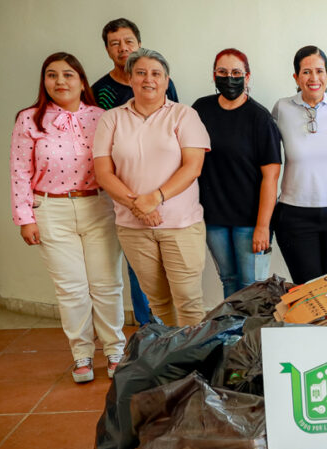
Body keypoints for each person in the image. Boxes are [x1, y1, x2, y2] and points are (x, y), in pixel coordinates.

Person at [10, 52, 124, 384]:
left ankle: (115, 351)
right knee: (71, 289)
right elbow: (19, 171)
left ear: (82, 81)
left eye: (68, 75)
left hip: (98, 207)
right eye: (52, 75)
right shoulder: (29, 119)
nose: (60, 81)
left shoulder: (102, 116)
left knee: (106, 284)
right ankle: (82, 355)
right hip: (52, 210)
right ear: (44, 82)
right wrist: (25, 218)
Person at [93, 48, 210, 327]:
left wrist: (155, 198)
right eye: (141, 73)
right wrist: (139, 207)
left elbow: (193, 167)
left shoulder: (184, 115)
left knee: (188, 299)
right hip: (134, 227)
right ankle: (172, 358)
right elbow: (104, 173)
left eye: (156, 74)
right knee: (157, 300)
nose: (149, 80)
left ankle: (196, 362)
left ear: (166, 81)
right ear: (130, 78)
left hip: (181, 225)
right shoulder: (111, 119)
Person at [92, 17, 178, 326]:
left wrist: (156, 197)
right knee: (138, 266)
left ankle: (173, 330)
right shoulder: (100, 91)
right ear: (107, 49)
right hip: (124, 195)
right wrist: (135, 202)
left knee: (171, 266)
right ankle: (148, 329)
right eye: (114, 43)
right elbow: (103, 150)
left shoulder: (160, 79)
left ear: (138, 44)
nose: (122, 48)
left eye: (128, 41)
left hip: (166, 195)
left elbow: (175, 138)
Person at [193, 48, 281, 299]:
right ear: (214, 75)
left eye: (236, 73)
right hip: (214, 217)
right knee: (229, 281)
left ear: (247, 77)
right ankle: (233, 336)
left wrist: (263, 226)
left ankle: (254, 337)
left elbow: (271, 176)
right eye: (222, 72)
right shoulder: (201, 109)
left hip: (250, 221)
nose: (229, 78)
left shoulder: (259, 118)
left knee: (254, 287)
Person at [271, 45, 327, 284]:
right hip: (295, 215)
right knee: (307, 290)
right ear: (296, 77)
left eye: (320, 71)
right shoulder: (282, 108)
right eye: (306, 72)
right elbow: (265, 151)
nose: (314, 78)